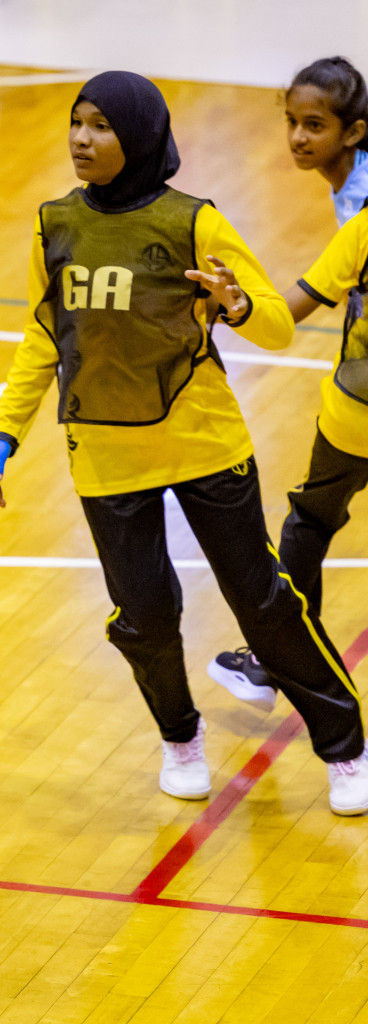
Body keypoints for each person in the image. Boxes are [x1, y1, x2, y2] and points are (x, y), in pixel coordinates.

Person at [0, 72, 368, 815]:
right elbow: (42, 334)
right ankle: (179, 738)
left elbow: (278, 329)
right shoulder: (53, 223)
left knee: (263, 602)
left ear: (142, 136)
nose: (81, 139)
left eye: (100, 126)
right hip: (103, 450)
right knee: (143, 615)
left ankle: (346, 748)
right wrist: (4, 429)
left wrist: (238, 304)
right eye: (76, 123)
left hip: (204, 444)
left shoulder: (196, 222)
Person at [210, 58, 368, 711]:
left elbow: (303, 301)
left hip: (360, 399)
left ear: (353, 131)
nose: (299, 138)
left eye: (314, 125)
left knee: (309, 519)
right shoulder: (349, 189)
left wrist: (228, 311)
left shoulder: (362, 207)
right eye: (292, 123)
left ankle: (279, 657)